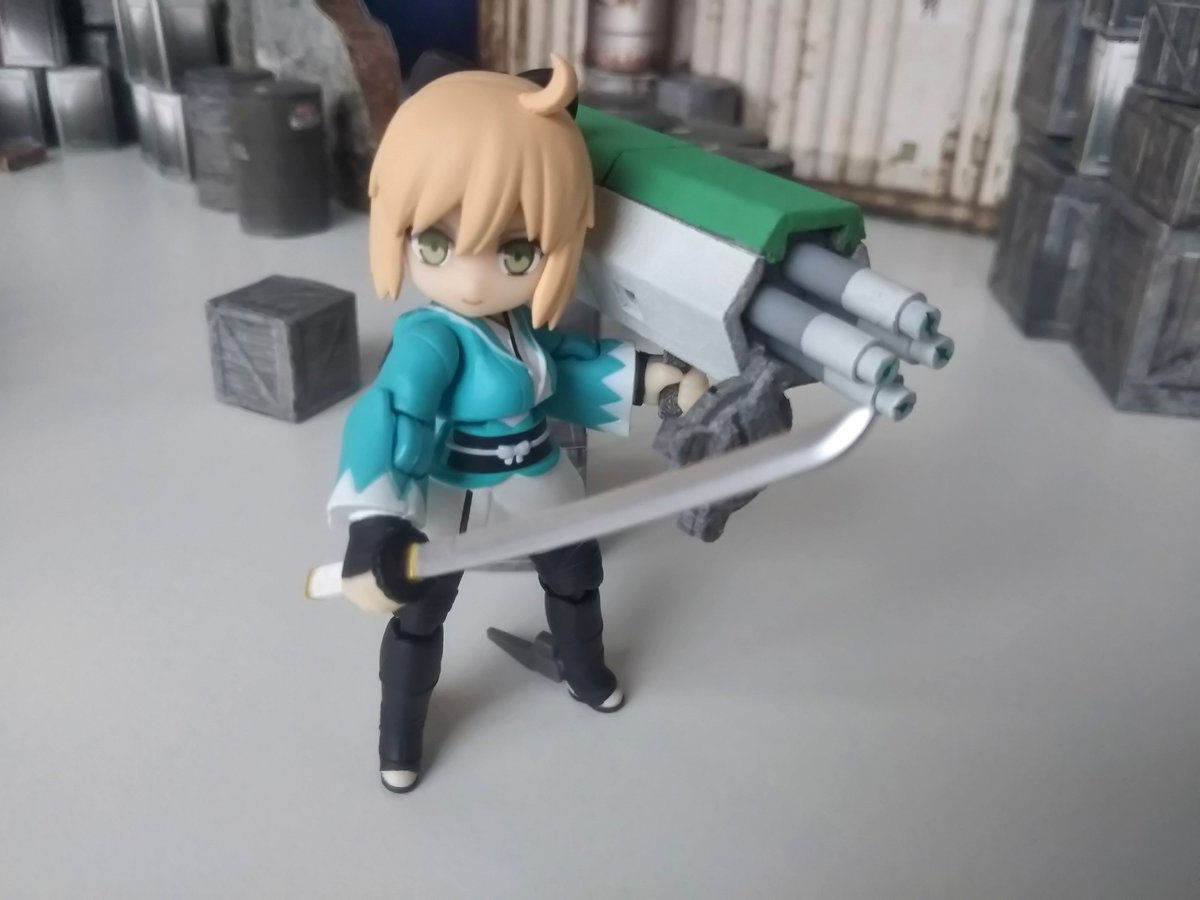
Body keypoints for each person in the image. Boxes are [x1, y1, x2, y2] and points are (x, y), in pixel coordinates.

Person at [327, 55, 707, 793]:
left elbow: (566, 369)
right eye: (435, 244)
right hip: (454, 489)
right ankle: (399, 736)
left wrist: (656, 378)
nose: (473, 279)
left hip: (535, 472)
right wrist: (373, 526)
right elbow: (393, 407)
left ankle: (582, 669)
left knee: (576, 575)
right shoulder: (431, 337)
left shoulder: (521, 330)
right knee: (421, 610)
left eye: (516, 250)